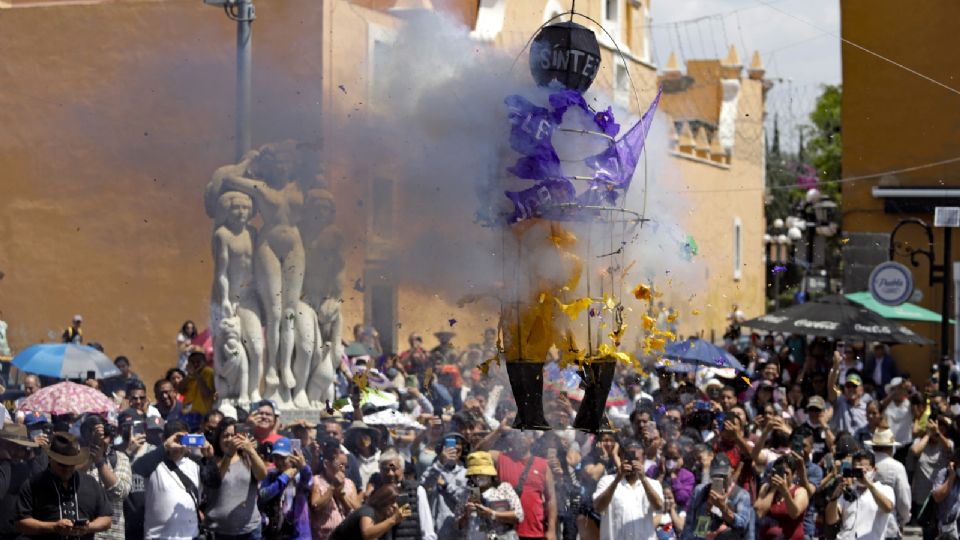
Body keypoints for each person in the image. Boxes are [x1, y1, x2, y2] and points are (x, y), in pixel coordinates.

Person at [15, 433, 112, 539]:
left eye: (72, 464)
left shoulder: (90, 483)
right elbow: (21, 523)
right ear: (50, 458)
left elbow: (106, 519)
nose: (67, 469)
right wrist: (53, 527)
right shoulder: (33, 484)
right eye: (62, 464)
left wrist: (88, 527)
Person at [143, 420, 211, 540]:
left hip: (191, 536)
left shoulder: (196, 463)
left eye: (182, 440)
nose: (178, 445)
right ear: (164, 439)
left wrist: (210, 458)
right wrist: (165, 446)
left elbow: (215, 483)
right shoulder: (153, 462)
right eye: (174, 440)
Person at [205, 418, 268, 539]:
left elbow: (262, 475)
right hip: (219, 532)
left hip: (250, 531)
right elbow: (216, 479)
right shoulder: (211, 460)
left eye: (234, 436)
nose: (230, 439)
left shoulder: (248, 458)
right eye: (225, 436)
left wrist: (250, 450)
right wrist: (229, 454)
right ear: (218, 438)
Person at [491, 430, 558, 540]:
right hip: (505, 532)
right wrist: (499, 430)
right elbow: (478, 452)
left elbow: (551, 499)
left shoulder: (543, 465)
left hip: (535, 531)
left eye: (525, 433)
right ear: (511, 439)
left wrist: (551, 530)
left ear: (532, 439)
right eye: (517, 433)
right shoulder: (500, 458)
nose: (521, 436)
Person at [592, 441, 664, 540]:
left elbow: (659, 506)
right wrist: (617, 479)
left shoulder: (653, 484)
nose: (632, 463)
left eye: (637, 459)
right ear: (621, 459)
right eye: (629, 459)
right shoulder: (607, 481)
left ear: (643, 460)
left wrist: (643, 479)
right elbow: (598, 507)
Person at [79, 415, 131, 540]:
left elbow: (121, 492)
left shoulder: (119, 457)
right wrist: (92, 455)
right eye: (93, 432)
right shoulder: (77, 456)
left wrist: (100, 461)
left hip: (112, 534)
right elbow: (70, 480)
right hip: (81, 532)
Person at [365, 448, 435, 540]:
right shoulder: (375, 493)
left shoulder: (416, 490)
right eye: (385, 469)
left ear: (402, 470)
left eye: (394, 469)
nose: (390, 473)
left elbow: (427, 530)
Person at [680, 454, 754, 540]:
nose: (720, 479)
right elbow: (689, 525)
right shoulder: (701, 491)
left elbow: (742, 524)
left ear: (731, 472)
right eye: (716, 475)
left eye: (723, 476)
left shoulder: (741, 495)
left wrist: (723, 508)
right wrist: (707, 508)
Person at [824, 450, 894, 540]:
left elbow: (887, 507)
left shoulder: (885, 489)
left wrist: (868, 484)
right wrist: (834, 497)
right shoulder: (848, 491)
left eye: (865, 471)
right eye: (857, 470)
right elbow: (831, 520)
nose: (861, 475)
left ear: (874, 470)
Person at [458, 451, 524, 540]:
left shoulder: (504, 488)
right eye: (474, 474)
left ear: (490, 474)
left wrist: (492, 514)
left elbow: (519, 516)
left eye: (481, 473)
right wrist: (467, 514)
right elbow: (458, 525)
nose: (477, 477)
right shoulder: (467, 493)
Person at [258, 437, 313, 539]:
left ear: (292, 457)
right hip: (275, 533)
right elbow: (263, 495)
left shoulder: (300, 476)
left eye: (283, 458)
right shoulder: (271, 476)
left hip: (298, 534)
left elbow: (308, 480)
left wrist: (303, 467)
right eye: (276, 457)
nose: (279, 462)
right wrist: (284, 477)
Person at [310, 439, 361, 540]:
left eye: (345, 466)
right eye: (340, 465)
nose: (343, 469)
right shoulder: (316, 481)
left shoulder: (349, 484)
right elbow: (315, 506)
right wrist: (332, 487)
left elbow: (357, 512)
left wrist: (341, 495)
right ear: (326, 464)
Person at [865, 429, 910, 540]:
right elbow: (904, 501)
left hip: (865, 527)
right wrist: (904, 520)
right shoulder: (897, 467)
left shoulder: (864, 465)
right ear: (890, 447)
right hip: (889, 526)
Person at [421, 432, 468, 539]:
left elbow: (464, 500)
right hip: (433, 530)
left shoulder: (465, 474)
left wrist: (446, 486)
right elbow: (423, 486)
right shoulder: (434, 469)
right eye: (450, 449)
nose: (454, 453)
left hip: (455, 531)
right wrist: (441, 462)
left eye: (458, 451)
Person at [0, 423, 43, 539]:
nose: (16, 452)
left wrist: (31, 458)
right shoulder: (3, 468)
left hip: (21, 532)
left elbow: (43, 483)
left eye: (20, 447)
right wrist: (5, 460)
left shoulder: (26, 468)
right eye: (12, 446)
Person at [754, 455, 809, 540]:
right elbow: (759, 513)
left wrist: (785, 492)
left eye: (786, 473)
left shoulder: (800, 491)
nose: (783, 476)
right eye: (779, 472)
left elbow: (794, 514)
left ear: (794, 475)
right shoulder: (766, 488)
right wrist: (773, 489)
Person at [910, 414, 954, 521]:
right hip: (922, 496)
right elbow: (915, 451)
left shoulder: (946, 443)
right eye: (938, 426)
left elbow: (949, 447)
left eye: (942, 427)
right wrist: (928, 434)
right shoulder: (920, 441)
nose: (939, 429)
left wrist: (938, 434)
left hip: (941, 495)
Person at [329, 483, 410, 540]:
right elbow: (367, 534)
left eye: (397, 503)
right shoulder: (368, 511)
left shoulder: (382, 518)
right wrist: (393, 519)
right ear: (383, 500)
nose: (395, 506)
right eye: (392, 501)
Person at [179, 349, 215, 425]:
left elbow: (206, 394)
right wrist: (189, 375)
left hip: (202, 414)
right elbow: (180, 390)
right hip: (188, 414)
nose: (195, 364)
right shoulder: (189, 375)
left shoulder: (208, 372)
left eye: (198, 362)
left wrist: (197, 375)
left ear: (204, 362)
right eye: (192, 362)